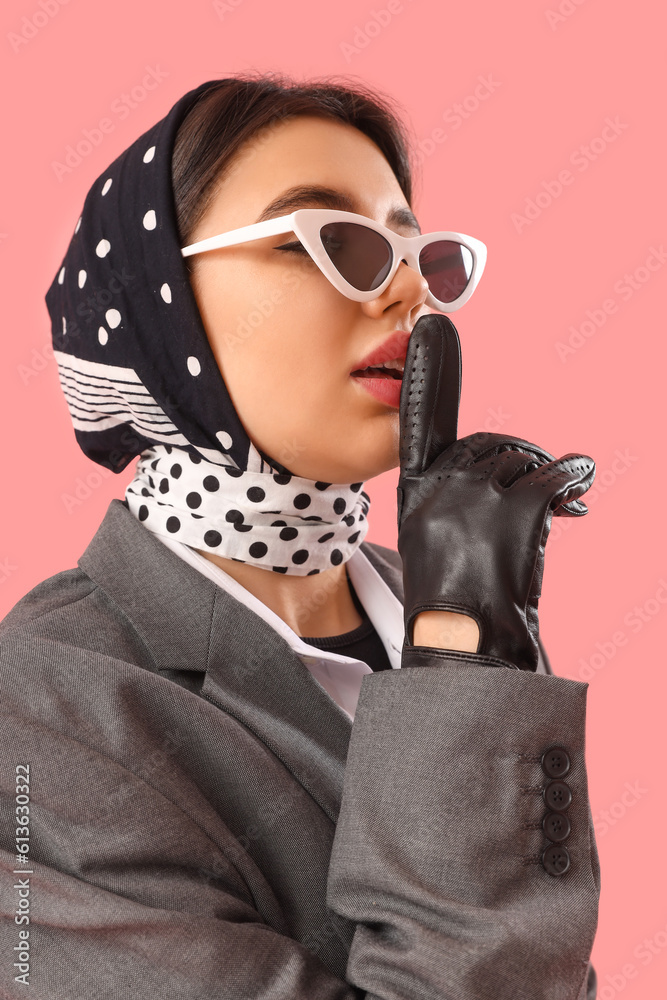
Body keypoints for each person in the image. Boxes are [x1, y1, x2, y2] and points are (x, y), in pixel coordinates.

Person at [0, 72, 600, 998]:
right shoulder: (38, 712)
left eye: (416, 256)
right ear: (158, 302)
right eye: (332, 243)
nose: (406, 292)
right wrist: (465, 667)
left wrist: (468, 644)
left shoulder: (432, 600)